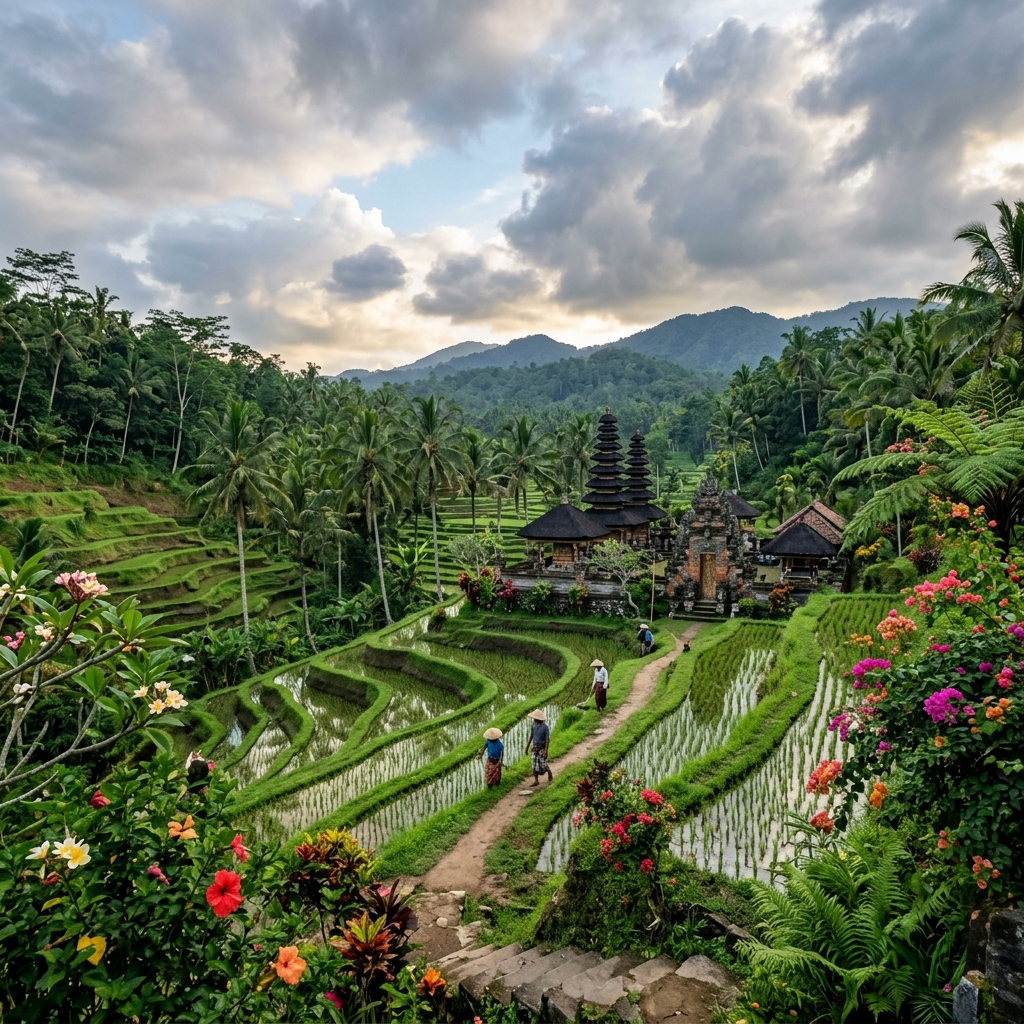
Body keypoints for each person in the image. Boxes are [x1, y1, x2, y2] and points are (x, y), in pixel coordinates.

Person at [525, 709, 552, 786]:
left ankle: (549, 772)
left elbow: (547, 739)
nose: (534, 719)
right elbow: (531, 736)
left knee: (543, 764)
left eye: (535, 718)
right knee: (534, 764)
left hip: (542, 748)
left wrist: (546, 751)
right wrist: (527, 747)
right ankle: (536, 780)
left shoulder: (545, 727)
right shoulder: (533, 725)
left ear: (539, 719)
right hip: (534, 748)